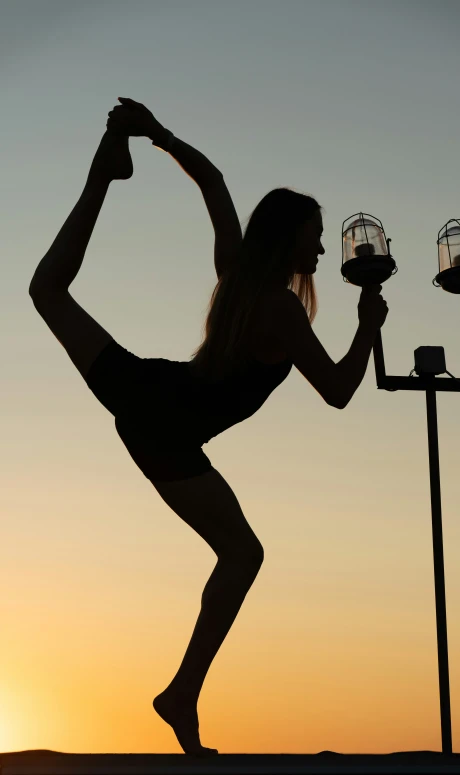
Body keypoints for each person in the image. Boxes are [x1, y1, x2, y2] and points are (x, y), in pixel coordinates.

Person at [28, 98, 388, 757]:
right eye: (313, 233)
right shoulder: (279, 308)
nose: (317, 244)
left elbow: (215, 181)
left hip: (148, 391)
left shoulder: (237, 272)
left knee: (47, 291)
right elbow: (337, 390)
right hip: (164, 426)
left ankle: (104, 174)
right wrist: (368, 326)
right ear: (286, 238)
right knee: (244, 554)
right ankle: (182, 693)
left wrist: (157, 134)